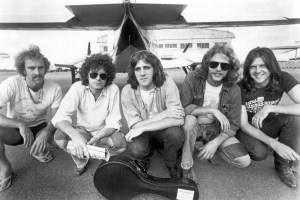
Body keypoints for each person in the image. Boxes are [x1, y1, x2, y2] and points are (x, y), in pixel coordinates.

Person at [180, 45, 251, 183]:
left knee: (243, 161)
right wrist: (213, 110)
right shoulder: (193, 78)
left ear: (229, 69)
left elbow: (234, 125)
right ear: (207, 64)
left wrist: (215, 143)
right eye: (214, 64)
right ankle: (186, 166)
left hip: (216, 129)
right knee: (189, 121)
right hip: (193, 126)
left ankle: (207, 150)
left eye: (224, 66)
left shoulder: (234, 89)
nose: (218, 68)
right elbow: (184, 107)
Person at [0, 45, 62, 192]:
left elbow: (57, 118)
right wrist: (21, 124)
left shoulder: (54, 88)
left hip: (40, 126)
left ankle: (38, 148)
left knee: (61, 139)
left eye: (41, 68)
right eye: (32, 68)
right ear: (23, 70)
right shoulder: (12, 83)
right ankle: (5, 168)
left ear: (46, 68)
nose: (37, 72)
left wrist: (47, 133)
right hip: (14, 129)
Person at [236, 47, 300, 189]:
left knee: (295, 119)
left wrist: (271, 107)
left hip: (269, 123)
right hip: (247, 129)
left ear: (271, 66)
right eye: (253, 67)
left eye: (262, 65)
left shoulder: (282, 78)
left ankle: (283, 166)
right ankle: (265, 146)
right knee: (260, 154)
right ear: (247, 69)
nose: (258, 71)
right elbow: (244, 124)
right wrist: (275, 144)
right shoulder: (241, 87)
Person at [52, 53, 126, 175]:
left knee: (121, 144)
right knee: (59, 137)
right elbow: (60, 116)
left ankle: (102, 156)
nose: (98, 78)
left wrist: (98, 136)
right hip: (83, 130)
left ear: (108, 77)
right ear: (87, 75)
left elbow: (114, 121)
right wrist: (75, 136)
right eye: (93, 74)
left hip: (103, 131)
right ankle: (81, 160)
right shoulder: (77, 87)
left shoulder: (113, 89)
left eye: (103, 76)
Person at [121, 50, 185, 178]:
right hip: (144, 132)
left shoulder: (167, 82)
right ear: (133, 72)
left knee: (175, 134)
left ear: (155, 69)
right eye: (138, 69)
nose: (142, 73)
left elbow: (179, 120)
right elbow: (135, 126)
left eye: (147, 67)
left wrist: (143, 126)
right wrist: (165, 114)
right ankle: (145, 156)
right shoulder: (127, 91)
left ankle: (171, 162)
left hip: (163, 130)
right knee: (135, 148)